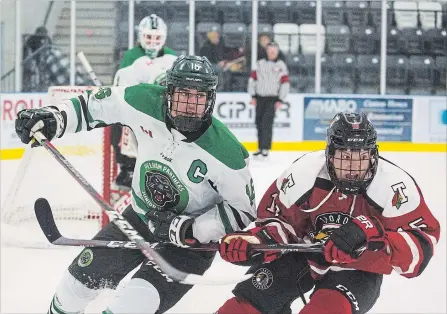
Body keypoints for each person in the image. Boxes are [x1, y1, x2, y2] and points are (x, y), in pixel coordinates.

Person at [15, 55, 256, 314]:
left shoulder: (227, 153)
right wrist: (55, 118)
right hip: (138, 217)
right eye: (183, 94)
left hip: (188, 244)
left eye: (199, 96)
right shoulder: (144, 100)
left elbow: (243, 211)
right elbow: (94, 106)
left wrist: (193, 229)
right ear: (168, 92)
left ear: (210, 99)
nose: (190, 104)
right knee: (72, 289)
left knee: (131, 307)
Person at [216, 112, 440, 314]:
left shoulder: (394, 187)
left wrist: (371, 233)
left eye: (360, 157)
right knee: (238, 310)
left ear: (373, 156)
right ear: (329, 155)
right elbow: (280, 221)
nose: (352, 168)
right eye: (344, 156)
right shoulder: (305, 173)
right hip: (303, 255)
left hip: (360, 268)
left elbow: (420, 250)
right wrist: (257, 242)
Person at [112, 14, 177, 189]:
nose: (152, 42)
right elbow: (122, 87)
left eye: (157, 37)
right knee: (118, 123)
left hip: (161, 110)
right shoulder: (131, 56)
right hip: (137, 109)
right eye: (148, 37)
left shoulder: (171, 57)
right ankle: (128, 168)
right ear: (140, 36)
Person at [248, 42, 290, 159]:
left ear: (277, 52)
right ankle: (260, 147)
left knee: (267, 123)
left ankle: (265, 148)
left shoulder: (281, 65)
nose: (272, 53)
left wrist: (280, 99)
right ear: (267, 51)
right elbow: (252, 80)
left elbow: (285, 84)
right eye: (270, 50)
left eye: (274, 51)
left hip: (272, 99)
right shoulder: (259, 64)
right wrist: (253, 96)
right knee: (258, 122)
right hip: (260, 97)